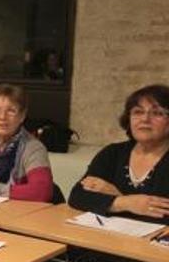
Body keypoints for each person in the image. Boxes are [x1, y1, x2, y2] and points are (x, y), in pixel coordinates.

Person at [69, 84, 169, 224]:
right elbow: (78, 197)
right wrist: (126, 202)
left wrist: (116, 196)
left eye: (157, 113)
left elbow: (164, 217)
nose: (145, 119)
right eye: (138, 112)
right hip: (106, 238)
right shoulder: (113, 153)